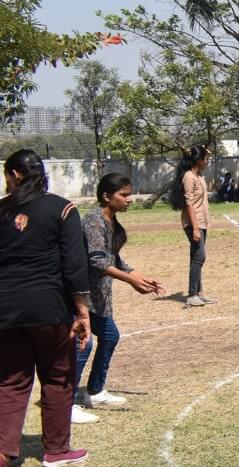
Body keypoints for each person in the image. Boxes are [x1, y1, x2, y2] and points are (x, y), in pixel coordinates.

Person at [0, 149, 90, 467]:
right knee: (57, 377)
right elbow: (74, 265)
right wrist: (82, 312)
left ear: (16, 174)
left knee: (11, 381)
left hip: (6, 311)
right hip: (49, 308)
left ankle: (3, 455)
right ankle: (56, 450)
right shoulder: (62, 209)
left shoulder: (1, 210)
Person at [74, 173, 165, 419]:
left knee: (110, 336)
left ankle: (94, 391)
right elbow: (97, 260)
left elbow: (113, 259)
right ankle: (67, 403)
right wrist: (130, 279)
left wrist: (139, 277)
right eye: (123, 195)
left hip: (99, 295)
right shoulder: (94, 220)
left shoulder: (111, 221)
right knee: (84, 345)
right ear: (106, 196)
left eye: (129, 194)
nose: (129, 199)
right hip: (82, 294)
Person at [172, 145, 214, 307]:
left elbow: (204, 155)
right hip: (193, 222)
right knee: (200, 256)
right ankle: (192, 294)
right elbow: (188, 203)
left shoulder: (199, 175)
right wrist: (195, 228)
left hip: (202, 221)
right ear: (198, 160)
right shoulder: (189, 177)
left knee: (196, 256)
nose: (208, 160)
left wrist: (203, 150)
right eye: (206, 158)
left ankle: (199, 292)